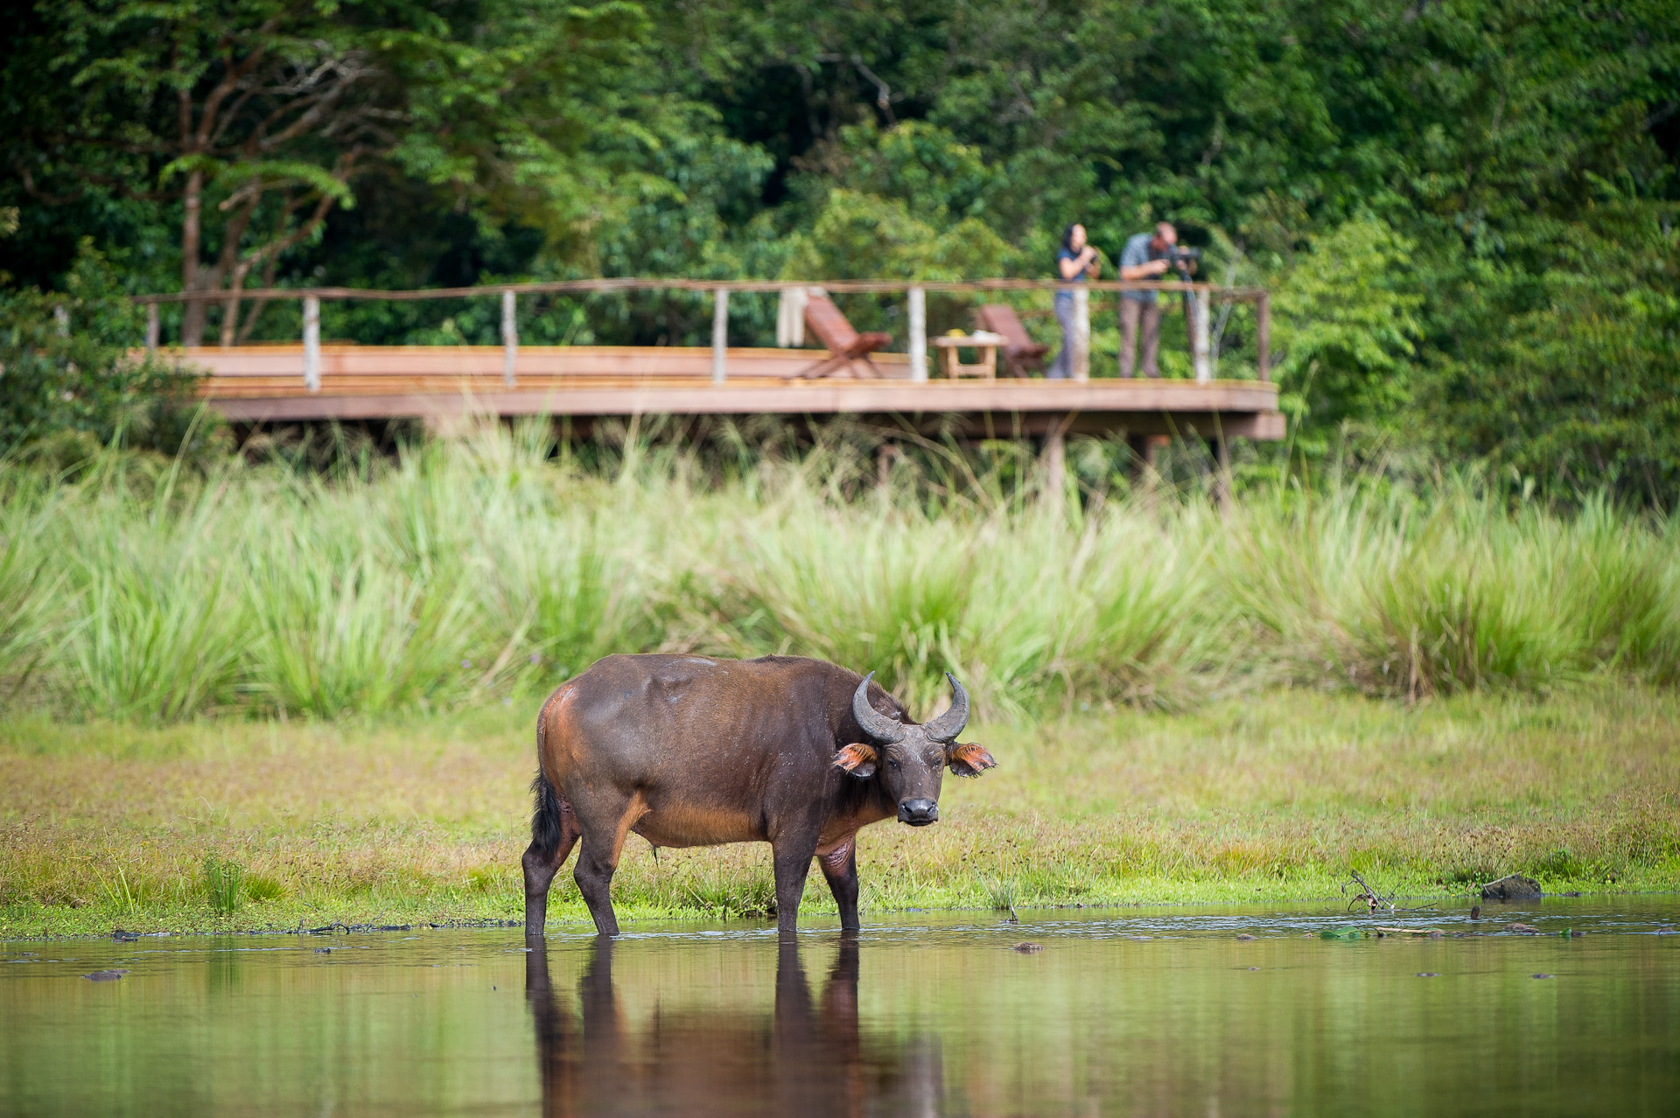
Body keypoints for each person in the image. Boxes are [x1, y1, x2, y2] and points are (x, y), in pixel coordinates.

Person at [1117, 221, 1192, 378]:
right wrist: (1150, 268)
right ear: (1157, 238)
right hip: (1131, 296)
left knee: (1151, 336)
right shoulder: (1136, 243)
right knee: (1129, 336)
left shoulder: (1169, 248)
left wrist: (1186, 259)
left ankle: (1150, 371)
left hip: (1150, 297)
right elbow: (1125, 273)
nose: (1168, 247)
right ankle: (1126, 375)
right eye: (1166, 244)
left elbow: (1190, 271)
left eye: (1172, 244)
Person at [1046, 223, 1100, 379]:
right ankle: (1073, 374)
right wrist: (1084, 258)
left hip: (1080, 300)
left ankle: (1055, 376)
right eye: (1080, 234)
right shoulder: (1065, 253)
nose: (1083, 238)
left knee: (1077, 337)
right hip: (1066, 300)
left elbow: (1094, 275)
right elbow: (1067, 272)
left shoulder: (1081, 255)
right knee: (1072, 338)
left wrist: (1094, 260)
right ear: (1071, 236)